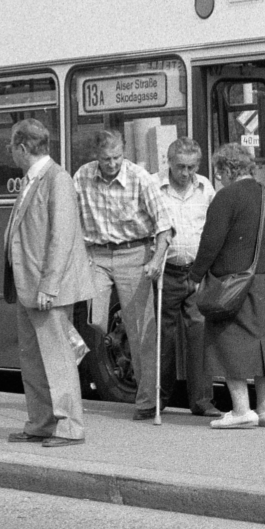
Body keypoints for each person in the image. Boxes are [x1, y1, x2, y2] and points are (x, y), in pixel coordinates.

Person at [183, 142, 265, 429]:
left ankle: (241, 409)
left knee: (228, 339)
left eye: (218, 171)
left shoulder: (226, 197)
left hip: (235, 281)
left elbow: (211, 243)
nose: (218, 177)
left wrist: (195, 277)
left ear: (226, 169)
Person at [0, 118, 92, 446]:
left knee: (57, 359)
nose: (10, 152)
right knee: (33, 359)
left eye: (12, 147)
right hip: (29, 287)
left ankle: (69, 427)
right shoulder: (32, 179)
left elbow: (61, 237)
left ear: (23, 148)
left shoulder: (57, 179)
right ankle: (41, 423)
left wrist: (49, 286)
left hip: (46, 289)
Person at [74, 127, 175, 420]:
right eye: (106, 159)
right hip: (97, 254)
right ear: (97, 156)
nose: (112, 164)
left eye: (117, 157)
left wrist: (156, 259)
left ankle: (146, 402)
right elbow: (67, 212)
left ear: (124, 152)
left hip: (134, 253)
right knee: (93, 319)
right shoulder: (82, 176)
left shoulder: (139, 178)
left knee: (141, 330)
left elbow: (164, 225)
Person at [158, 139, 219, 415]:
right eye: (181, 167)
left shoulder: (205, 188)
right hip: (166, 272)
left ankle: (202, 401)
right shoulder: (153, 186)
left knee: (200, 335)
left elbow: (215, 226)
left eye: (192, 167)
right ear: (169, 162)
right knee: (163, 339)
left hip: (196, 272)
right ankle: (158, 400)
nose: (186, 173)